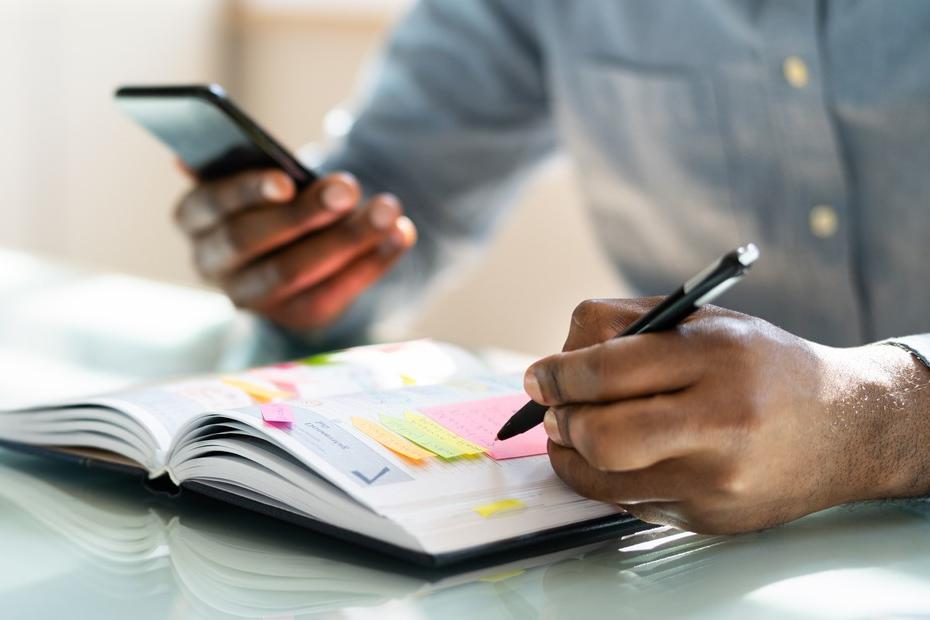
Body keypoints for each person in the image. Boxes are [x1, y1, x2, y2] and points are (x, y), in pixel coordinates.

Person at [174, 2, 930, 534]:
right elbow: (404, 186)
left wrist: (873, 420)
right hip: (683, 556)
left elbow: (871, 420)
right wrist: (306, 258)